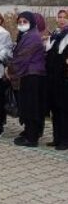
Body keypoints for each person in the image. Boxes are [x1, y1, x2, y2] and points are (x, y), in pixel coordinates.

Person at [8, 12, 46, 147]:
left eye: (25, 21)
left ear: (31, 22)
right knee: (27, 106)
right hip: (27, 75)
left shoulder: (33, 37)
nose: (22, 24)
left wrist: (10, 70)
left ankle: (32, 138)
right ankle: (28, 132)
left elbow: (23, 57)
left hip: (32, 76)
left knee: (31, 107)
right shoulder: (26, 35)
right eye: (20, 21)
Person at [45, 9, 68, 150]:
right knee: (55, 109)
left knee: (64, 110)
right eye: (59, 17)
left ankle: (65, 140)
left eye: (64, 17)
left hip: (64, 78)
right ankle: (57, 137)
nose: (61, 19)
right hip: (53, 78)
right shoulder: (55, 34)